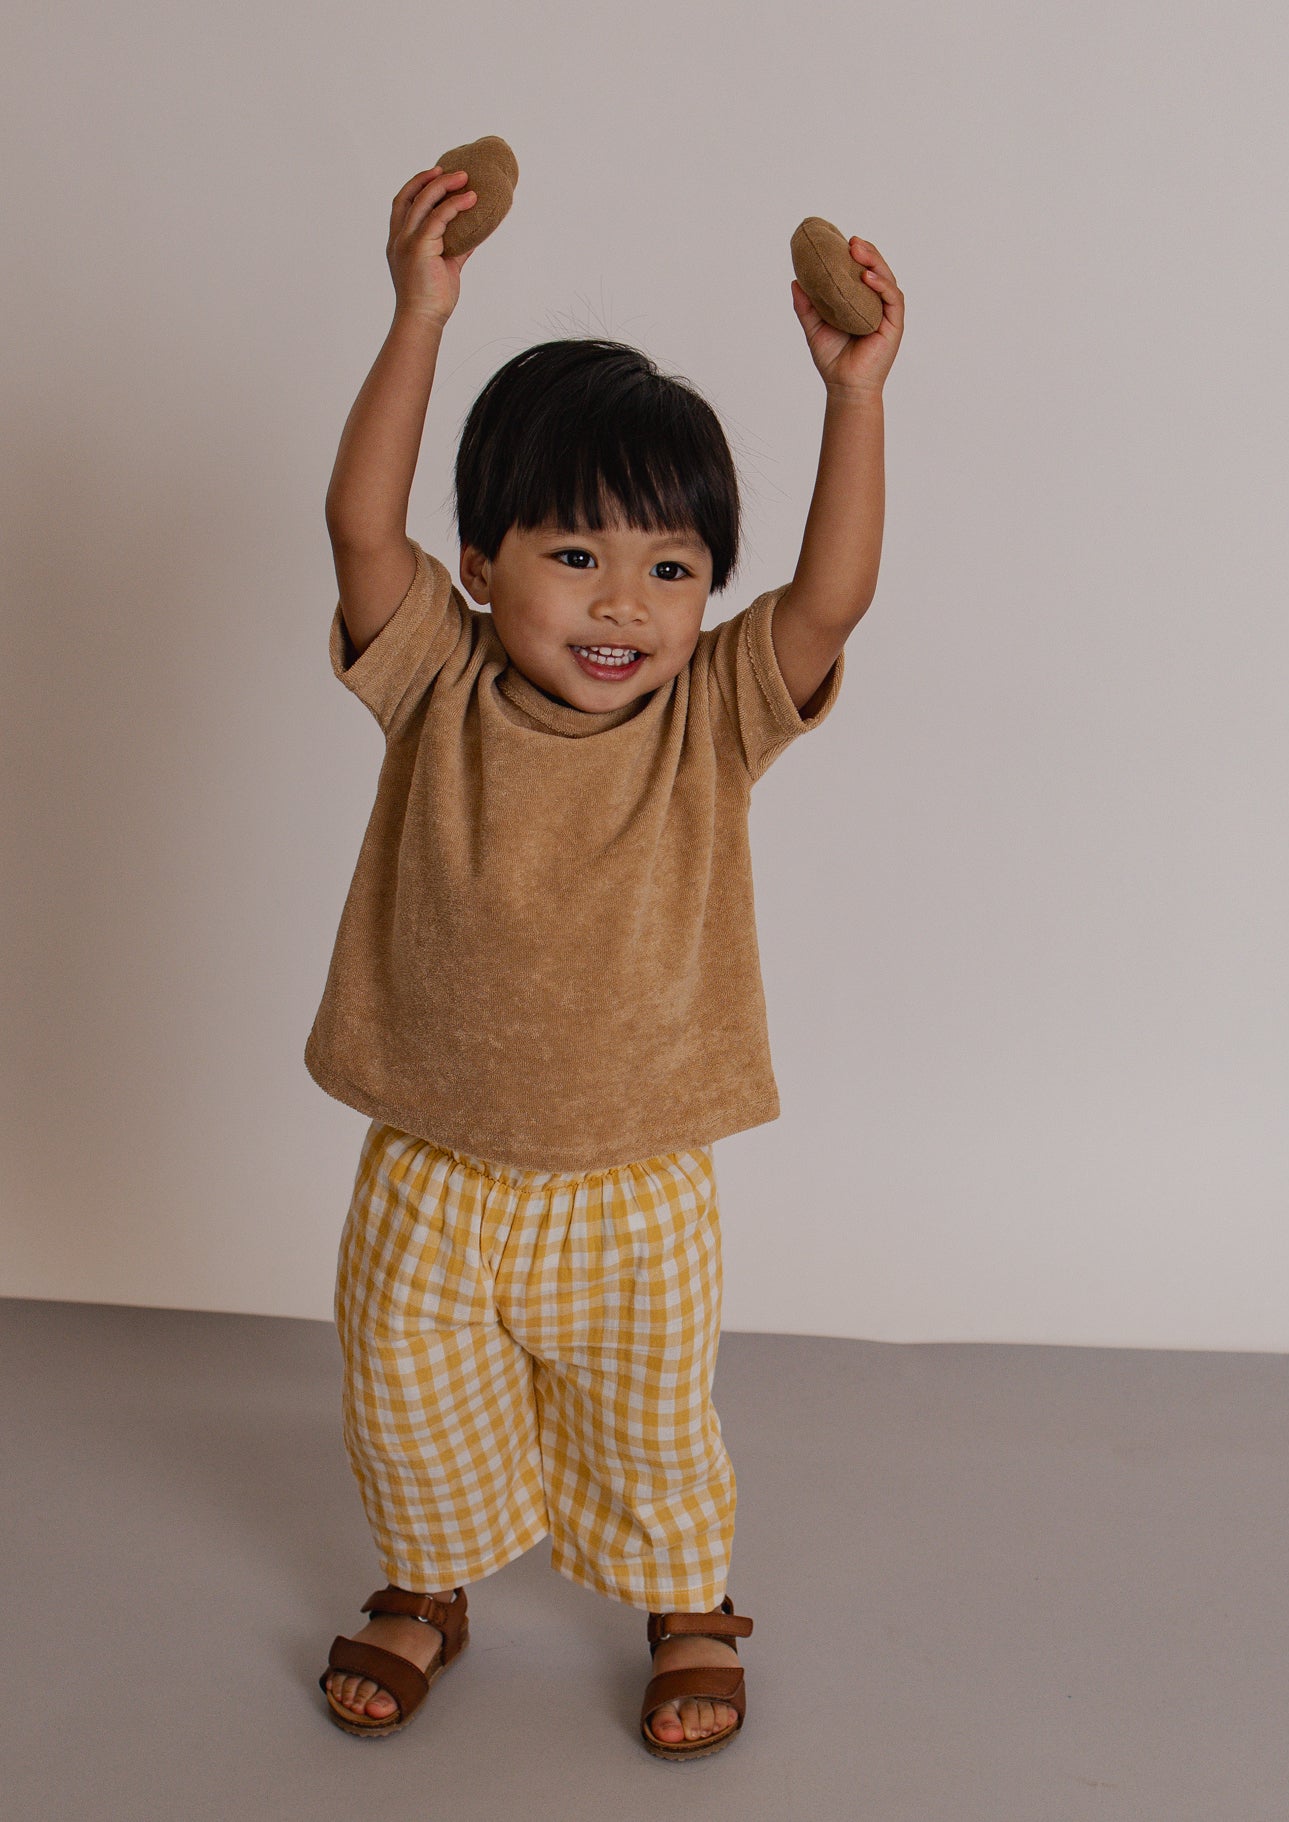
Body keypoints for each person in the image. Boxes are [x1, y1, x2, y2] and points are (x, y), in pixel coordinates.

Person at [308, 162, 903, 1758]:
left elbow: (835, 597)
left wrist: (855, 399)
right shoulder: (434, 678)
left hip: (639, 1182)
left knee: (650, 1426)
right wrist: (419, 313)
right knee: (406, 1407)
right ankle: (425, 1585)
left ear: (709, 594)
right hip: (436, 1162)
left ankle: (689, 1596)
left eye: (670, 566)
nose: (624, 601)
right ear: (486, 563)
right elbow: (359, 522)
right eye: (576, 556)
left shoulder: (712, 713)